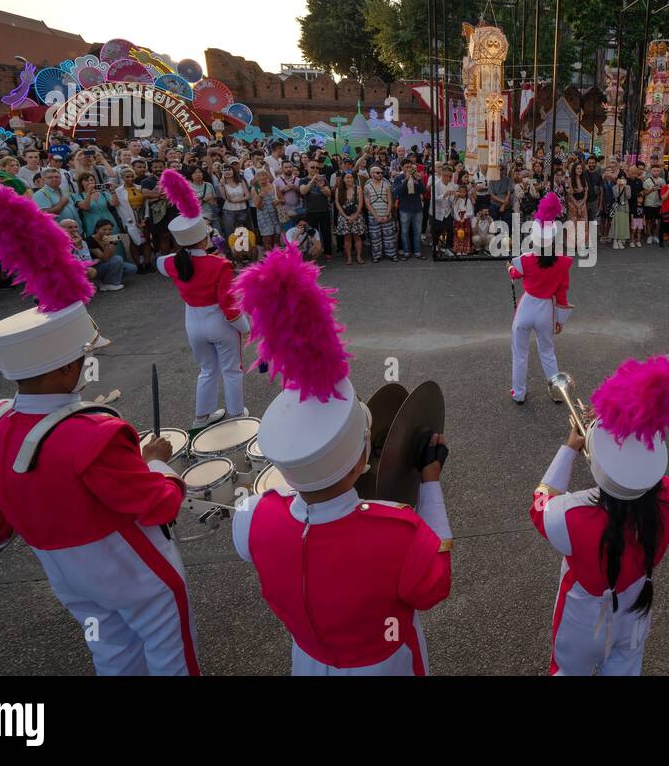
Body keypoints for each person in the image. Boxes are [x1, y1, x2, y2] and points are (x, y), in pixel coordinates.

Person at [0, 181, 199, 675]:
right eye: (81, 357)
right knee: (169, 654)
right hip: (130, 569)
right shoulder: (94, 433)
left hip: (64, 573)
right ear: (62, 370)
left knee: (111, 652)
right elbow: (156, 503)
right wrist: (159, 463)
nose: (85, 364)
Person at [231, 247, 452, 675]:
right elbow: (436, 583)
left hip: (308, 661)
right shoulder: (400, 532)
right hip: (387, 662)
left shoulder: (251, 517)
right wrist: (430, 482)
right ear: (360, 463)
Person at [531, 356, 669, 675]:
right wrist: (624, 426)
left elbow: (539, 503)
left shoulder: (570, 513)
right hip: (635, 615)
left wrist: (569, 447)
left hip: (581, 621)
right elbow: (654, 475)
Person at [156, 169, 249, 427]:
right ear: (204, 237)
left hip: (193, 325)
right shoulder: (219, 266)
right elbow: (229, 305)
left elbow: (160, 263)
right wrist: (246, 326)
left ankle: (201, 417)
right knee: (231, 370)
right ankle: (237, 415)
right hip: (219, 323)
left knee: (207, 370)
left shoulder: (172, 263)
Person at [507, 192, 572, 404]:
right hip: (545, 310)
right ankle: (558, 392)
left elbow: (514, 273)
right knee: (547, 352)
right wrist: (560, 320)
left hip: (526, 308)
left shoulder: (526, 261)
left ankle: (519, 394)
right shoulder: (562, 263)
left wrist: (509, 268)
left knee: (520, 354)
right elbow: (561, 293)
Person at [363, 166, 397, 262]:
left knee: (389, 237)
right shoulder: (367, 187)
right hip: (373, 216)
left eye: (381, 172)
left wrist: (387, 214)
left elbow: (390, 201)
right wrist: (376, 216)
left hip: (386, 215)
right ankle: (376, 256)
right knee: (375, 238)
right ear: (371, 174)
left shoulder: (386, 185)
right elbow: (367, 203)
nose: (380, 174)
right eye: (377, 172)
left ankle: (391, 254)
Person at [334, 169, 366, 265]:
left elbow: (360, 203)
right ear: (343, 179)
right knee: (347, 238)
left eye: (351, 177)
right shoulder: (338, 190)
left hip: (357, 216)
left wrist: (355, 216)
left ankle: (359, 256)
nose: (349, 179)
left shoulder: (358, 188)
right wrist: (346, 217)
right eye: (347, 177)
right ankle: (348, 258)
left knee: (357, 237)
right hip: (344, 217)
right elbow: (337, 204)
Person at [396, 162, 426, 259]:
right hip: (405, 209)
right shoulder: (399, 178)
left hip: (417, 209)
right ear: (402, 168)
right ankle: (406, 252)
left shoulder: (416, 177)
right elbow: (398, 192)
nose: (409, 168)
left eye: (411, 167)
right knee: (404, 231)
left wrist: (420, 180)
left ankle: (417, 251)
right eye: (406, 167)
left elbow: (424, 191)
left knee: (417, 231)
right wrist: (406, 180)